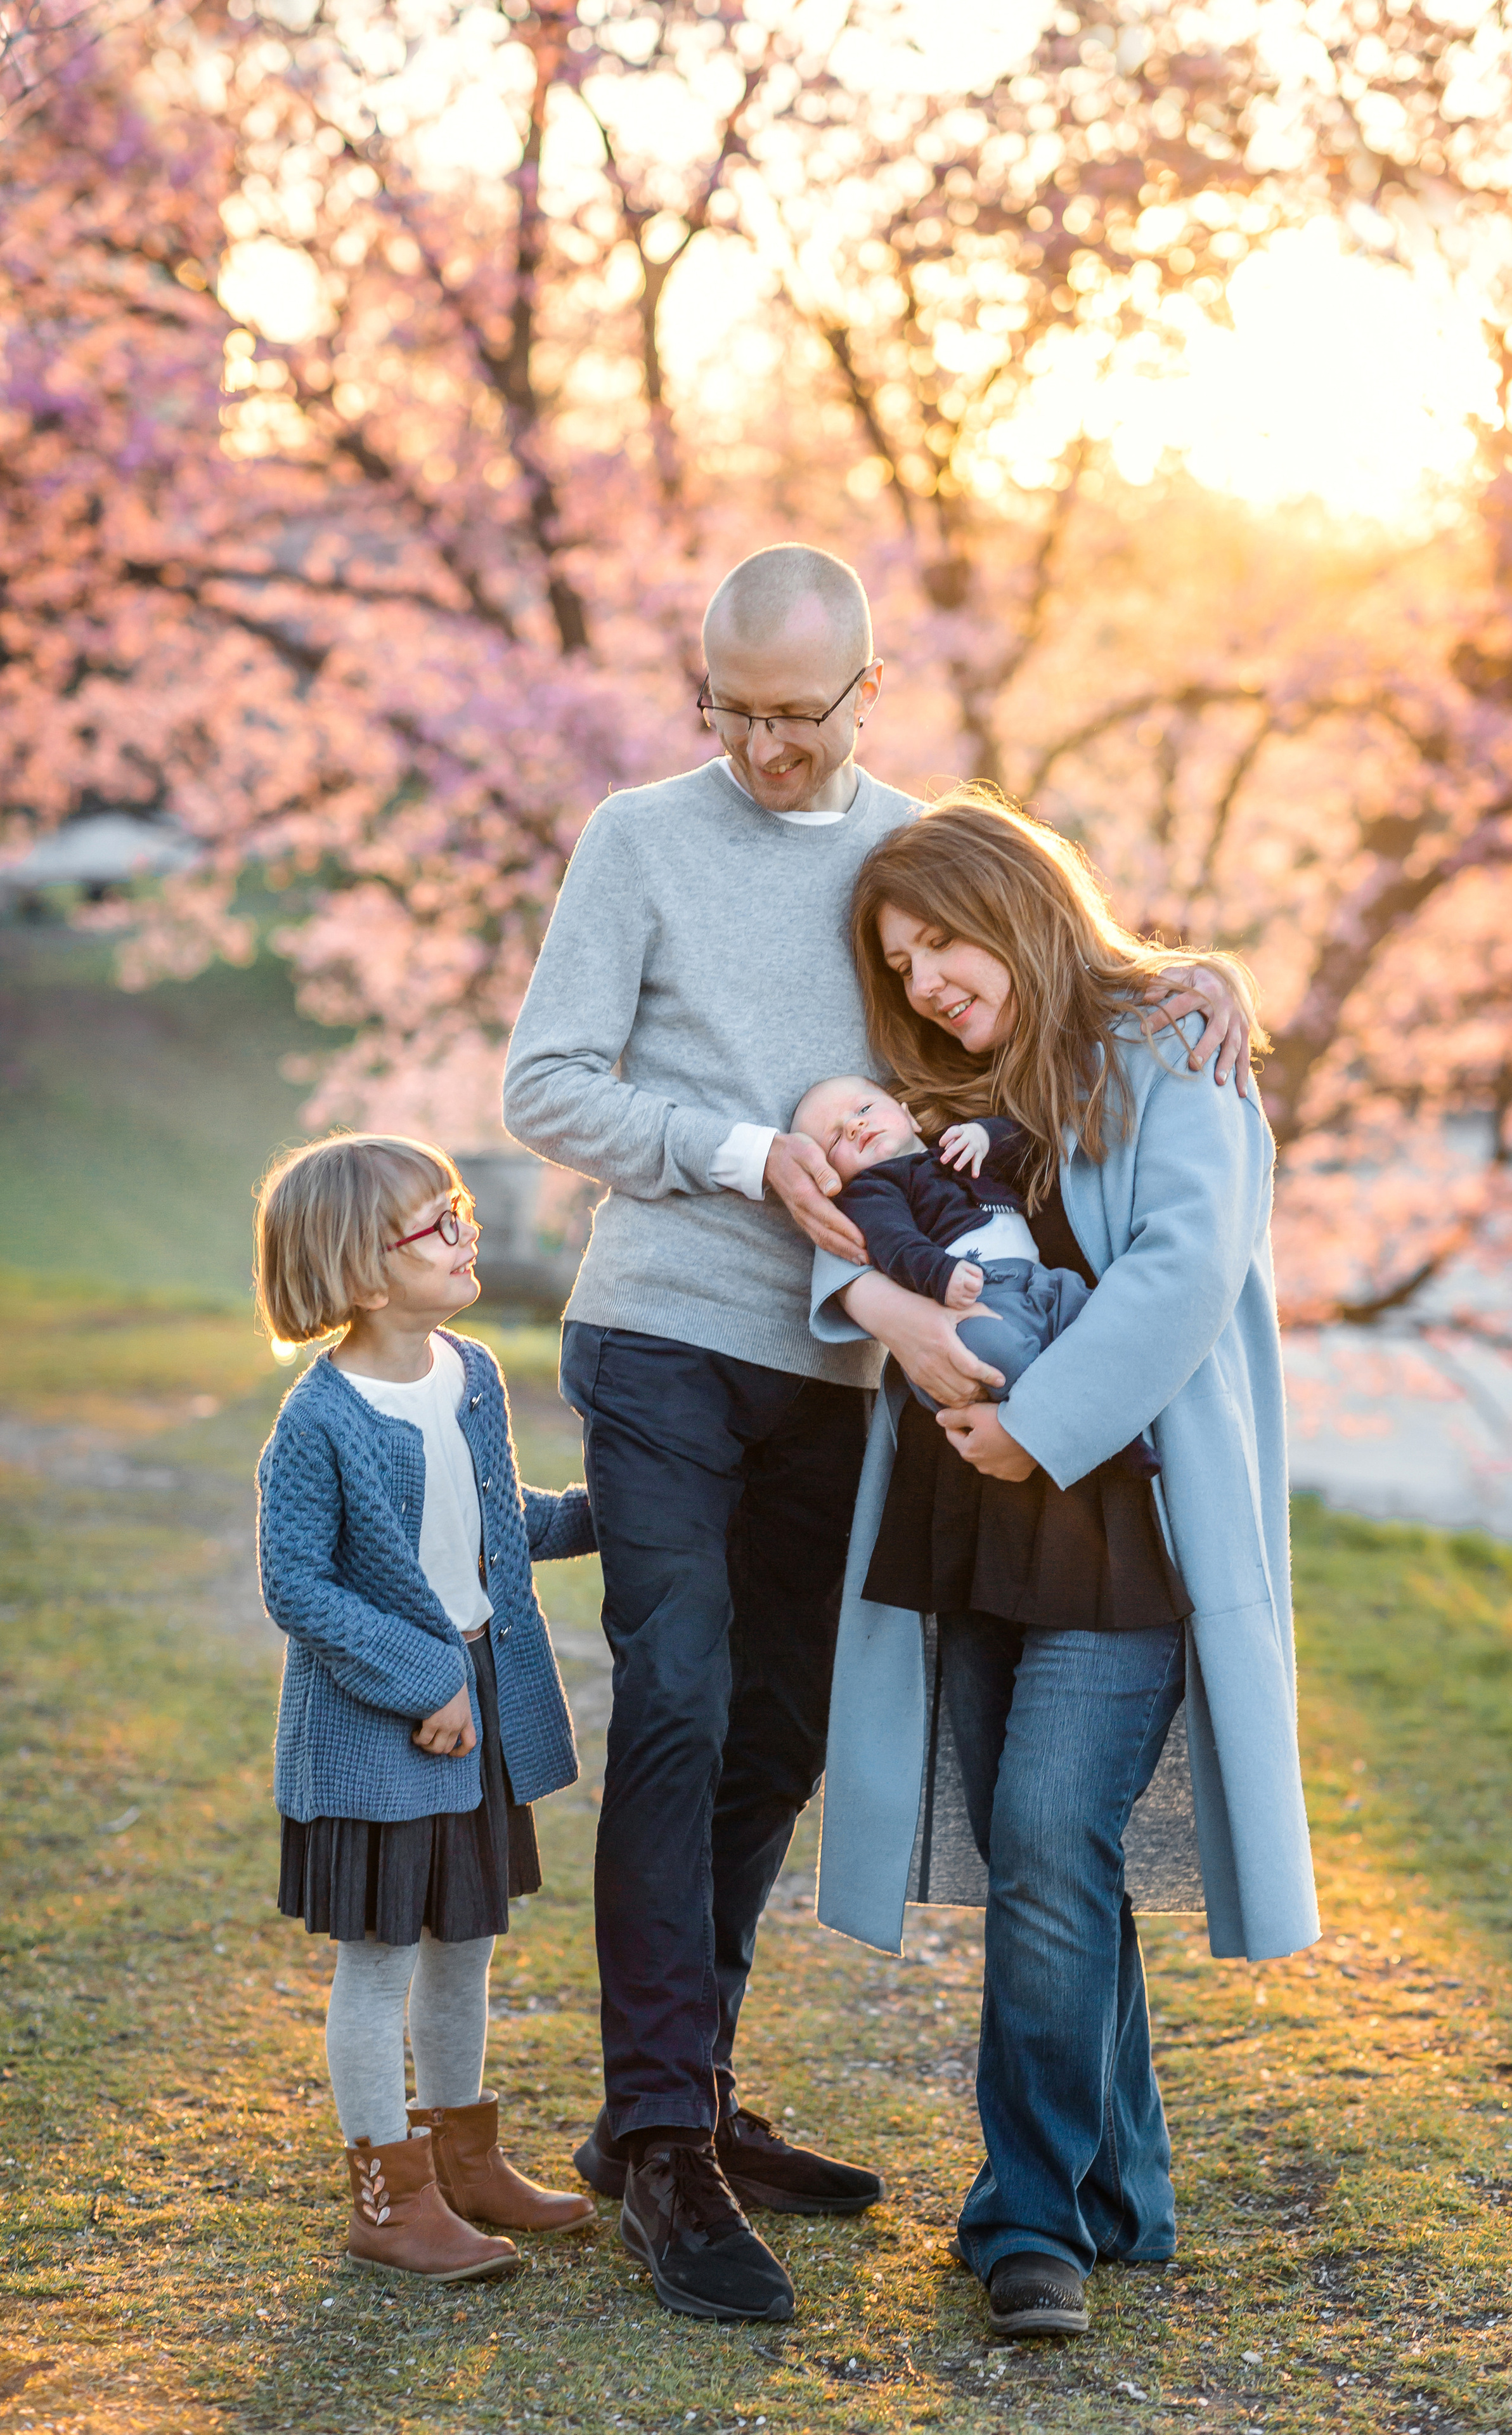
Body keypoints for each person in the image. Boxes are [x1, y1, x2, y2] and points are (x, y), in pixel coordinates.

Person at [501, 543, 1252, 2324]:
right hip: (666, 1326)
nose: (763, 747)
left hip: (848, 1374)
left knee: (779, 1724)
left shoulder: (916, 859)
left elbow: (1047, 990)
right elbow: (544, 1084)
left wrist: (1199, 968)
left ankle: (691, 2087)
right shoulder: (637, 839)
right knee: (678, 1695)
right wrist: (742, 1153)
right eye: (730, 712)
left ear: (867, 690)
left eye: (796, 714)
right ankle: (663, 2135)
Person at [808, 792, 1320, 2339]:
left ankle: (1024, 2217)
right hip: (963, 1514)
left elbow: (1182, 1270)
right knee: (1054, 1868)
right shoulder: (926, 1086)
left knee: (1041, 1831)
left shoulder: (1176, 1056)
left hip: (1117, 1518)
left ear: (1016, 901)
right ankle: (1122, 2189)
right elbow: (843, 1227)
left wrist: (1039, 1422)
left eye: (944, 938)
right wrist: (882, 1312)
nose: (927, 979)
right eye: (900, 963)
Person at [254, 1132, 597, 2283]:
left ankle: (466, 2158)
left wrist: (615, 1512)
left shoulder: (474, 1374)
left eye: (462, 1213)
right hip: (374, 1731)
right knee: (383, 1960)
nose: (468, 1236)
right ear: (361, 1272)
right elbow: (297, 1585)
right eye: (438, 1223)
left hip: (483, 1704)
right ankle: (387, 2200)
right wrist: (425, 1678)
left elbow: (500, 1524)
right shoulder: (319, 1422)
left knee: (468, 1944)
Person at [789, 1074, 1157, 1473]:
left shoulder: (954, 1146)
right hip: (978, 1301)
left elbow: (1030, 1146)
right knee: (996, 1349)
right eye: (836, 1140)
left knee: (1091, 1315)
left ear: (909, 1117)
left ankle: (1118, 1431)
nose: (856, 1126)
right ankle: (1072, 1430)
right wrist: (941, 1274)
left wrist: (984, 1136)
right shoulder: (871, 1191)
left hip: (1041, 1281)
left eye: (863, 1109)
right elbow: (895, 1245)